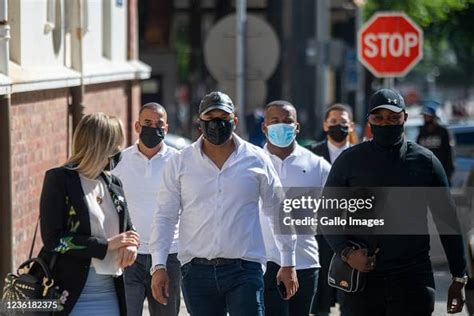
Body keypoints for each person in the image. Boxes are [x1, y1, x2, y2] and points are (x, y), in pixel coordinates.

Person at [319, 88, 468, 316]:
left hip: (413, 281)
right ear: (369, 120)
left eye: (393, 118)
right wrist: (347, 253)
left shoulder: (426, 161)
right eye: (378, 118)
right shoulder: (349, 161)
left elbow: (447, 221)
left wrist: (459, 277)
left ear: (405, 118)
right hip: (363, 283)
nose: (386, 124)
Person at [149, 91, 298, 316]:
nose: (216, 125)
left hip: (244, 269)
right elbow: (165, 216)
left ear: (234, 121)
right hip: (196, 272)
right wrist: (158, 265)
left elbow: (278, 211)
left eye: (223, 119)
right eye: (210, 119)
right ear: (200, 123)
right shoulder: (180, 162)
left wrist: (288, 261)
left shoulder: (256, 159)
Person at [39, 113, 139, 315]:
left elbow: (129, 230)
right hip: (69, 296)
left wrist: (131, 245)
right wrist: (107, 245)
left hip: (111, 294)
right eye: (114, 145)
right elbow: (53, 240)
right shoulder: (60, 180)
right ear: (99, 146)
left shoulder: (113, 184)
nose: (118, 151)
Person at [261, 100, 331, 315]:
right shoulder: (252, 162)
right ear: (264, 127)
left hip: (304, 262)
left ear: (297, 127)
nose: (281, 126)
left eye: (287, 121)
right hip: (261, 262)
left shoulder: (317, 165)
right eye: (275, 121)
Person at [112, 103, 181, 316]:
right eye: (147, 123)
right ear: (137, 126)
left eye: (159, 124)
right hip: (129, 257)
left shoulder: (178, 161)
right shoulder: (118, 161)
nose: (154, 128)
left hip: (169, 256)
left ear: (166, 128)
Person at [307, 103, 354, 316]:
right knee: (320, 298)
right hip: (319, 235)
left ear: (351, 126)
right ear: (325, 125)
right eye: (333, 122)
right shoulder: (311, 155)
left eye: (343, 122)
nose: (338, 126)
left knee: (351, 294)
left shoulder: (359, 155)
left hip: (352, 235)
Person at [417, 101, 455, 183]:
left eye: (428, 115)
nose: (425, 118)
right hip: (425, 173)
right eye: (424, 115)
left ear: (434, 116)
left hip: (441, 171)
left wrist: (449, 171)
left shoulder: (443, 132)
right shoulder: (422, 132)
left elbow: (449, 152)